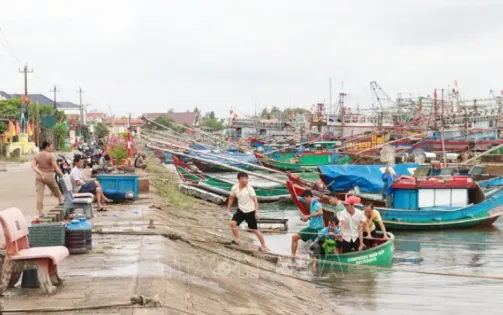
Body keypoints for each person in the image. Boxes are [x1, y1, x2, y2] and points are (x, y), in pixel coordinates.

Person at [225, 172, 268, 251]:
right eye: (243, 179)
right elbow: (231, 198)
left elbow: (255, 200)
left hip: (250, 211)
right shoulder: (235, 187)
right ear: (239, 180)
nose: (245, 180)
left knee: (254, 229)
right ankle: (237, 239)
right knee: (232, 223)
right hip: (241, 210)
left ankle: (264, 245)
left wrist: (257, 213)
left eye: (246, 179)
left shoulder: (250, 189)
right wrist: (228, 209)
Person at [32, 140, 65, 217]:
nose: (52, 147)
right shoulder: (51, 155)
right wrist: (62, 174)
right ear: (47, 147)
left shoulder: (37, 155)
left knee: (39, 194)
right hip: (49, 175)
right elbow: (55, 167)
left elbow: (33, 166)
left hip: (39, 176)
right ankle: (61, 203)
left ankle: (40, 212)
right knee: (57, 190)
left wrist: (40, 172)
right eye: (51, 146)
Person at [291, 189, 324, 261]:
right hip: (311, 227)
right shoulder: (310, 202)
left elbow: (321, 212)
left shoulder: (316, 203)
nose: (305, 201)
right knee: (294, 237)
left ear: (309, 196)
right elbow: (299, 198)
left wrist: (308, 216)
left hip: (317, 229)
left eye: (305, 199)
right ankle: (293, 257)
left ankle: (317, 262)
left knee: (316, 248)